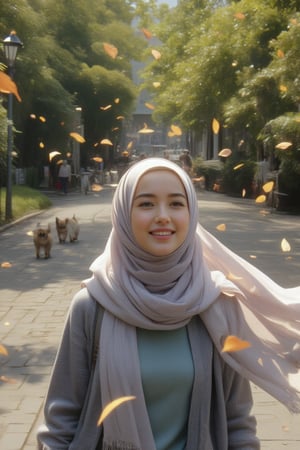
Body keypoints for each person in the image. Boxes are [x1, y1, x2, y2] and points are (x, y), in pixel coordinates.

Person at [37, 158, 300, 450]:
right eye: (146, 204)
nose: (163, 216)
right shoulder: (92, 305)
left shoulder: (215, 304)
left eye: (176, 204)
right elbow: (60, 424)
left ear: (191, 213)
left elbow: (237, 423)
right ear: (123, 214)